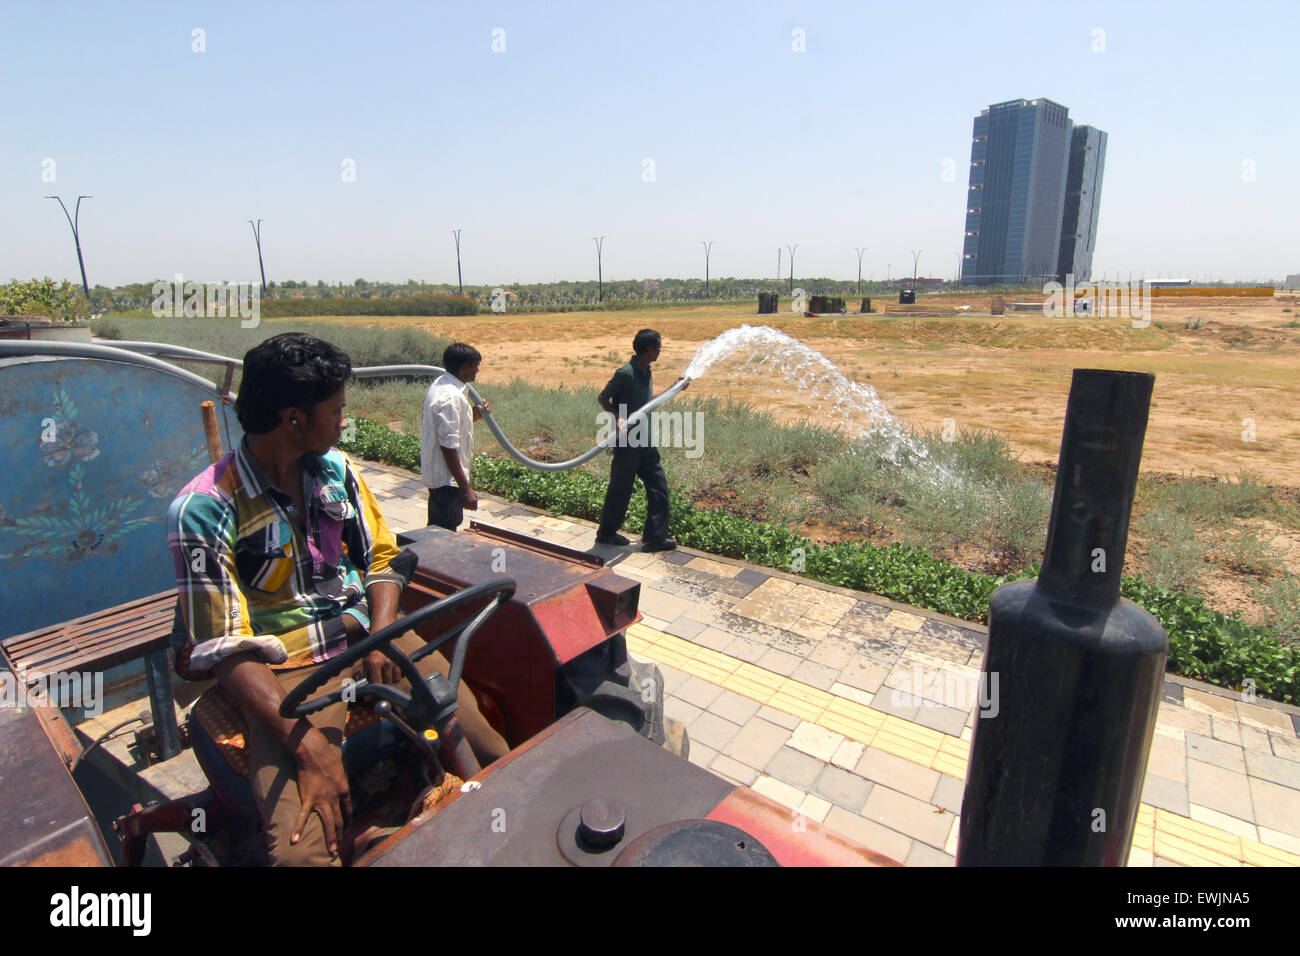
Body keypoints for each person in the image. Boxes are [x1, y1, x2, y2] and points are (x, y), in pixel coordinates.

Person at [167, 333, 508, 866]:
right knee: (300, 853)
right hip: (290, 672)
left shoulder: (338, 470)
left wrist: (383, 629)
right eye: (337, 411)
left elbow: (383, 558)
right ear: (293, 419)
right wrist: (308, 747)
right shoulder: (204, 510)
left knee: (493, 752)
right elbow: (225, 649)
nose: (343, 423)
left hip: (370, 636)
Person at [595, 328, 687, 551]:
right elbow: (603, 397)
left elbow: (648, 403)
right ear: (649, 349)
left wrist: (674, 389)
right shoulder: (625, 373)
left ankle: (654, 538)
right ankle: (606, 534)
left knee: (659, 487)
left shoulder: (647, 371)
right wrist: (617, 417)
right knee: (620, 490)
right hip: (627, 443)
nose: (660, 350)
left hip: (645, 442)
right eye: (658, 347)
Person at [422, 342, 488, 531]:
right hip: (447, 480)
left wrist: (473, 415)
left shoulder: (442, 383)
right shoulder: (451, 398)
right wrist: (465, 488)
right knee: (444, 530)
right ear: (464, 367)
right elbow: (448, 446)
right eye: (475, 366)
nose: (477, 371)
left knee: (437, 527)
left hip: (439, 476)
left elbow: (448, 427)